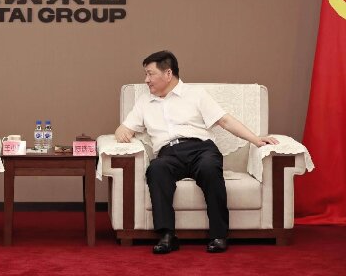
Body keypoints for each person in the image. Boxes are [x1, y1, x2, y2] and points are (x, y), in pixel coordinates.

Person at [114, 50, 278, 254]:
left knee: (210, 168)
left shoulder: (196, 94)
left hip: (201, 149)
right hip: (168, 153)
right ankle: (167, 236)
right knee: (156, 169)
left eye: (150, 74)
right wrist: (122, 133)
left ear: (168, 73)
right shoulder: (144, 102)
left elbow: (225, 120)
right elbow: (124, 128)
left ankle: (218, 235)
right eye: (145, 74)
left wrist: (256, 140)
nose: (146, 80)